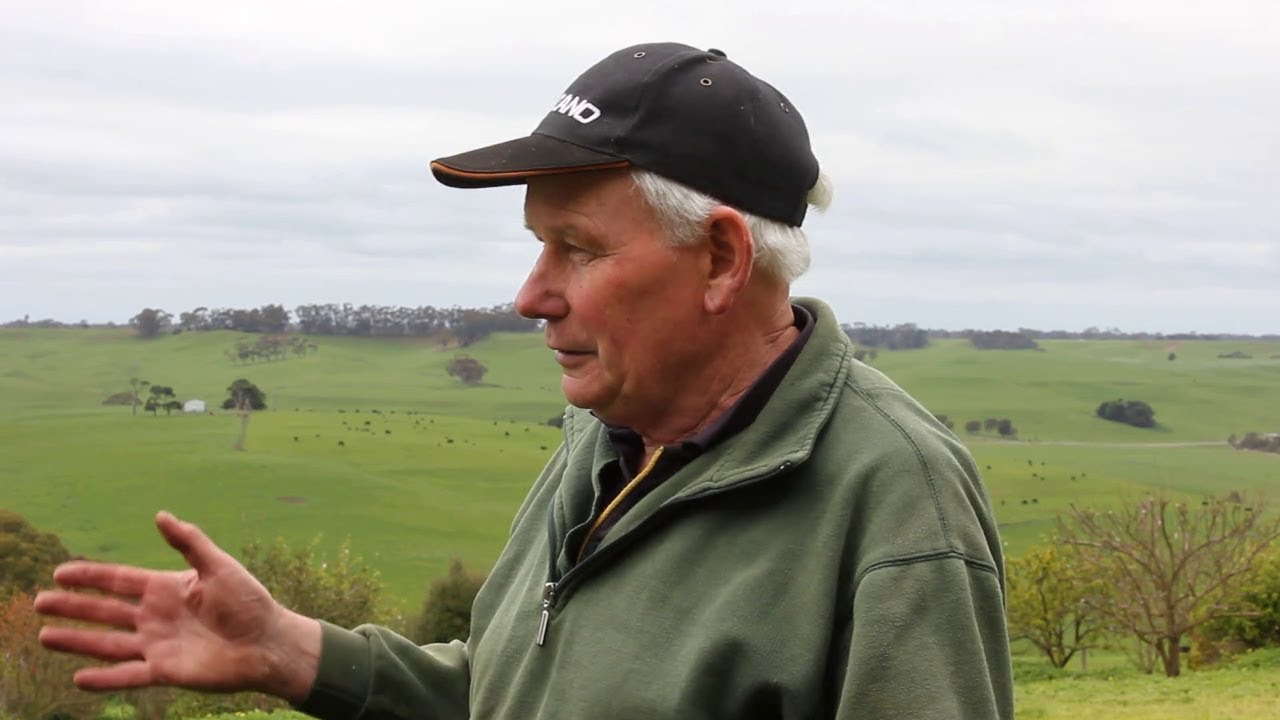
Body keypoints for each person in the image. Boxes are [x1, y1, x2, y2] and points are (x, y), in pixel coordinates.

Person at [36, 42, 1013, 719]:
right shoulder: (608, 437)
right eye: (537, 246)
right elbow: (516, 691)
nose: (529, 295)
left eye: (575, 248)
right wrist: (289, 649)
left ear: (718, 260)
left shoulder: (893, 503)